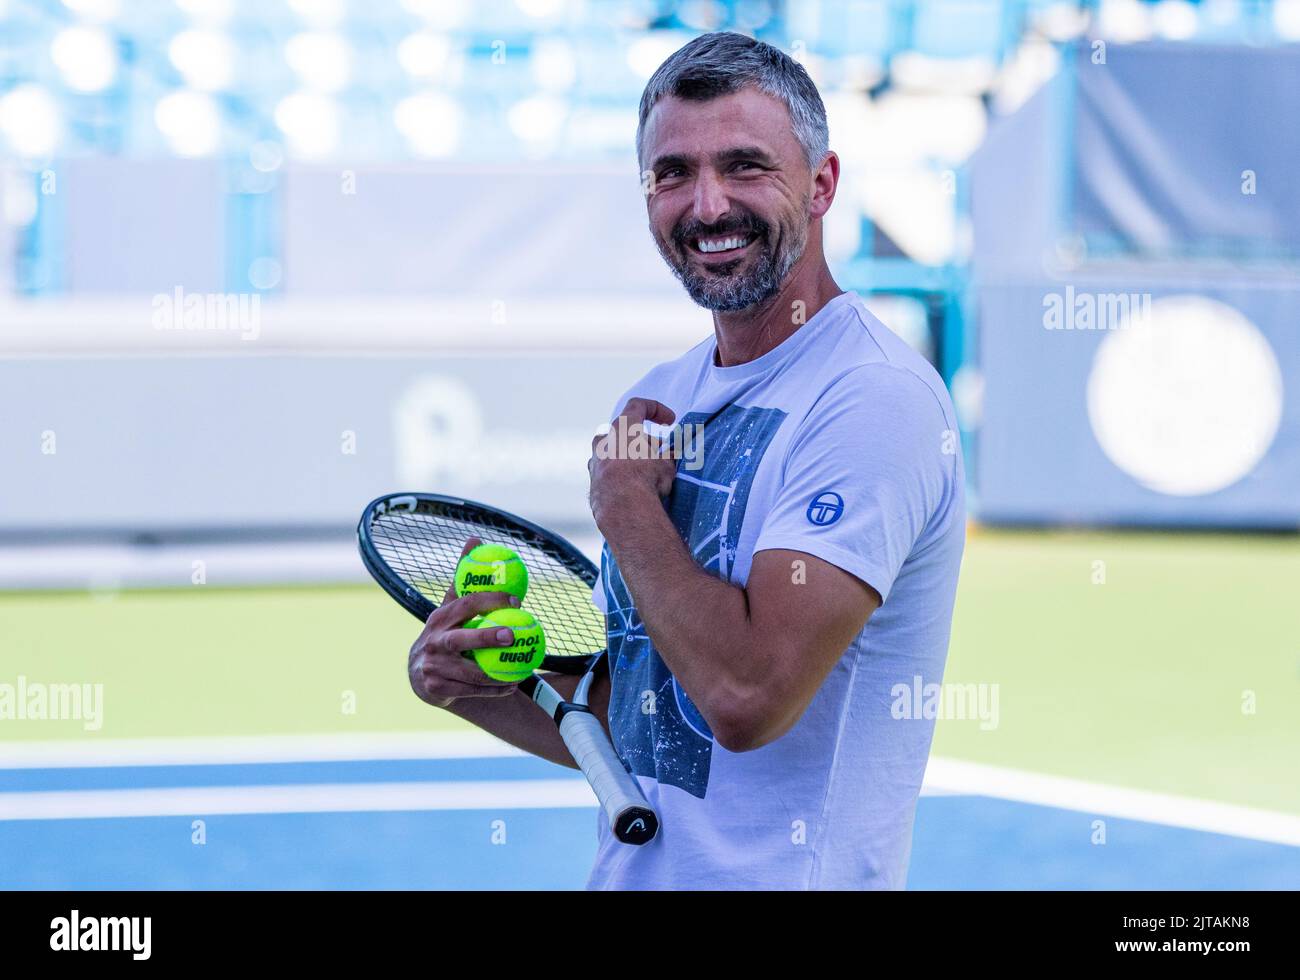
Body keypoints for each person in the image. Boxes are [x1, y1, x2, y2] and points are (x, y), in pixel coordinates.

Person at [408, 31, 965, 889]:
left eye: (745, 166)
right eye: (673, 174)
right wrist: (476, 685)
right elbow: (644, 717)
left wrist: (627, 510)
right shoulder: (663, 393)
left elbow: (746, 698)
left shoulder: (873, 399)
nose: (707, 207)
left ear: (822, 185)